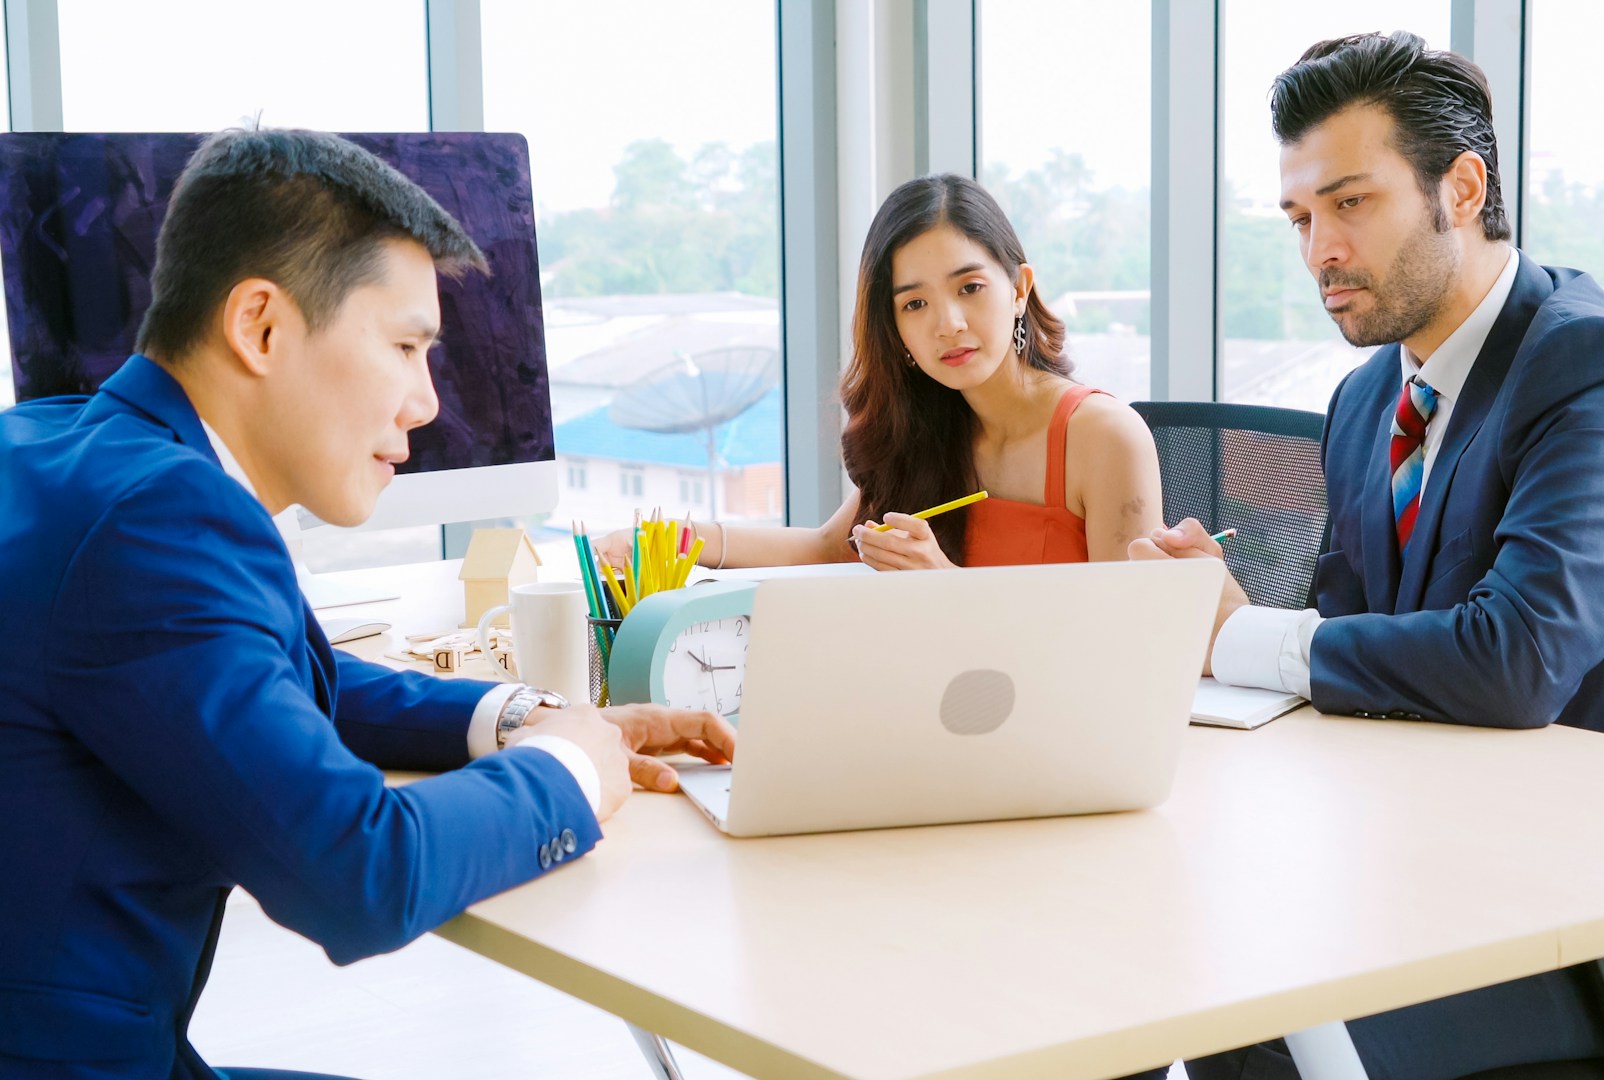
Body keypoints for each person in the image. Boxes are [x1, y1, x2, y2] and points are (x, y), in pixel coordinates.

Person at [1130, 31, 1604, 1080]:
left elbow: (1517, 658)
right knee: (1157, 970)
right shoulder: (1366, 403)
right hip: (1468, 861)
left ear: (1461, 187)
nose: (1319, 250)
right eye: (1301, 218)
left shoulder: (1598, 368)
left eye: (1351, 204)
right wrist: (1208, 645)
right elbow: (1353, 650)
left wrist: (1240, 635)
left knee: (1252, 1025)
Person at [0, 128, 733, 1080]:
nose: (426, 402)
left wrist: (521, 717)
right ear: (260, 326)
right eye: (403, 346)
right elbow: (359, 874)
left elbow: (257, 678)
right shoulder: (163, 518)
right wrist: (570, 774)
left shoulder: (58, 444)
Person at [596, 173, 1161, 573]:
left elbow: (1132, 641)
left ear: (1019, 289)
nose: (948, 323)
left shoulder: (1105, 437)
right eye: (914, 304)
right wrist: (667, 541)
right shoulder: (929, 430)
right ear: (893, 328)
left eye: (970, 287)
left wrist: (945, 589)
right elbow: (823, 547)